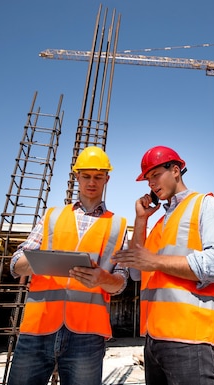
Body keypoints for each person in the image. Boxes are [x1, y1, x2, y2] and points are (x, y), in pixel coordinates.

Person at [112, 145, 214, 385]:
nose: (151, 184)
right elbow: (138, 272)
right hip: (154, 340)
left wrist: (155, 260)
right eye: (147, 179)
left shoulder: (206, 205)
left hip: (191, 339)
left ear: (176, 170)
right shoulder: (159, 223)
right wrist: (140, 220)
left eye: (155, 175)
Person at [7, 146, 128, 385]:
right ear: (77, 177)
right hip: (39, 326)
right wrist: (38, 262)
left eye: (98, 177)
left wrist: (103, 278)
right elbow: (16, 264)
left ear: (107, 179)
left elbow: (121, 282)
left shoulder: (118, 225)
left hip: (87, 333)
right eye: (86, 176)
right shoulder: (51, 216)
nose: (91, 182)